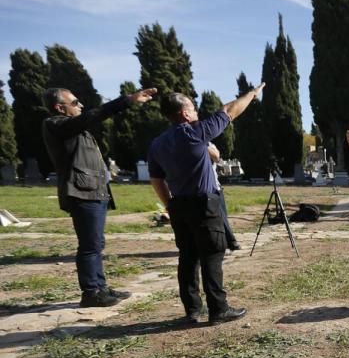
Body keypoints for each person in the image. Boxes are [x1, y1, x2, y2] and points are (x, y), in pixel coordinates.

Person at [148, 85, 264, 324]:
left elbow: (156, 179)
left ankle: (192, 310)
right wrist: (252, 94)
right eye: (193, 107)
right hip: (204, 204)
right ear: (184, 114)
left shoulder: (157, 143)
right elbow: (229, 111)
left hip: (179, 205)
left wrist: (169, 205)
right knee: (212, 255)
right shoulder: (195, 133)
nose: (197, 112)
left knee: (188, 258)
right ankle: (218, 309)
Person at [42, 86, 157, 307]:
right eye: (75, 102)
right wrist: (127, 100)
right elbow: (93, 116)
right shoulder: (55, 124)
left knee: (96, 243)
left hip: (94, 190)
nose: (81, 106)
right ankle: (91, 292)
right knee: (89, 245)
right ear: (59, 107)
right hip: (82, 193)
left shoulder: (73, 128)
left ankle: (100, 287)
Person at [206, 143, 240, 251]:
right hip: (205, 189)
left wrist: (201, 144)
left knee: (223, 215)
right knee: (219, 216)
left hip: (215, 186)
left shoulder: (209, 144)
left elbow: (216, 157)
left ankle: (226, 241)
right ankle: (231, 241)